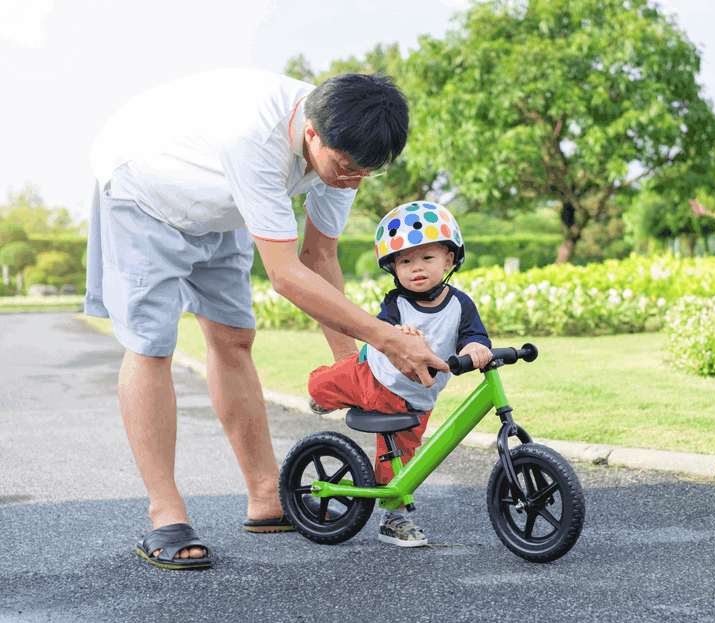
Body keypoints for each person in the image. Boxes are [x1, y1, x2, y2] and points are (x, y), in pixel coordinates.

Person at [86, 69, 449, 570]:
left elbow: (319, 260)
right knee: (152, 344)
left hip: (220, 202)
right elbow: (284, 274)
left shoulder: (348, 150)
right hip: (146, 186)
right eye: (345, 167)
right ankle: (166, 514)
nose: (353, 179)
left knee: (234, 338)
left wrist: (359, 373)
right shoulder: (254, 138)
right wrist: (387, 339)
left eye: (366, 172)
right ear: (312, 135)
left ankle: (264, 496)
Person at [308, 201, 492, 547]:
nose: (416, 268)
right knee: (326, 382)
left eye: (427, 258)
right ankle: (321, 396)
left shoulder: (461, 305)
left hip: (416, 399)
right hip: (374, 377)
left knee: (403, 467)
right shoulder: (397, 303)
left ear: (449, 260)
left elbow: (473, 336)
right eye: (405, 261)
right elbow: (384, 331)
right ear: (393, 268)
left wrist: (474, 350)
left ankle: (393, 519)